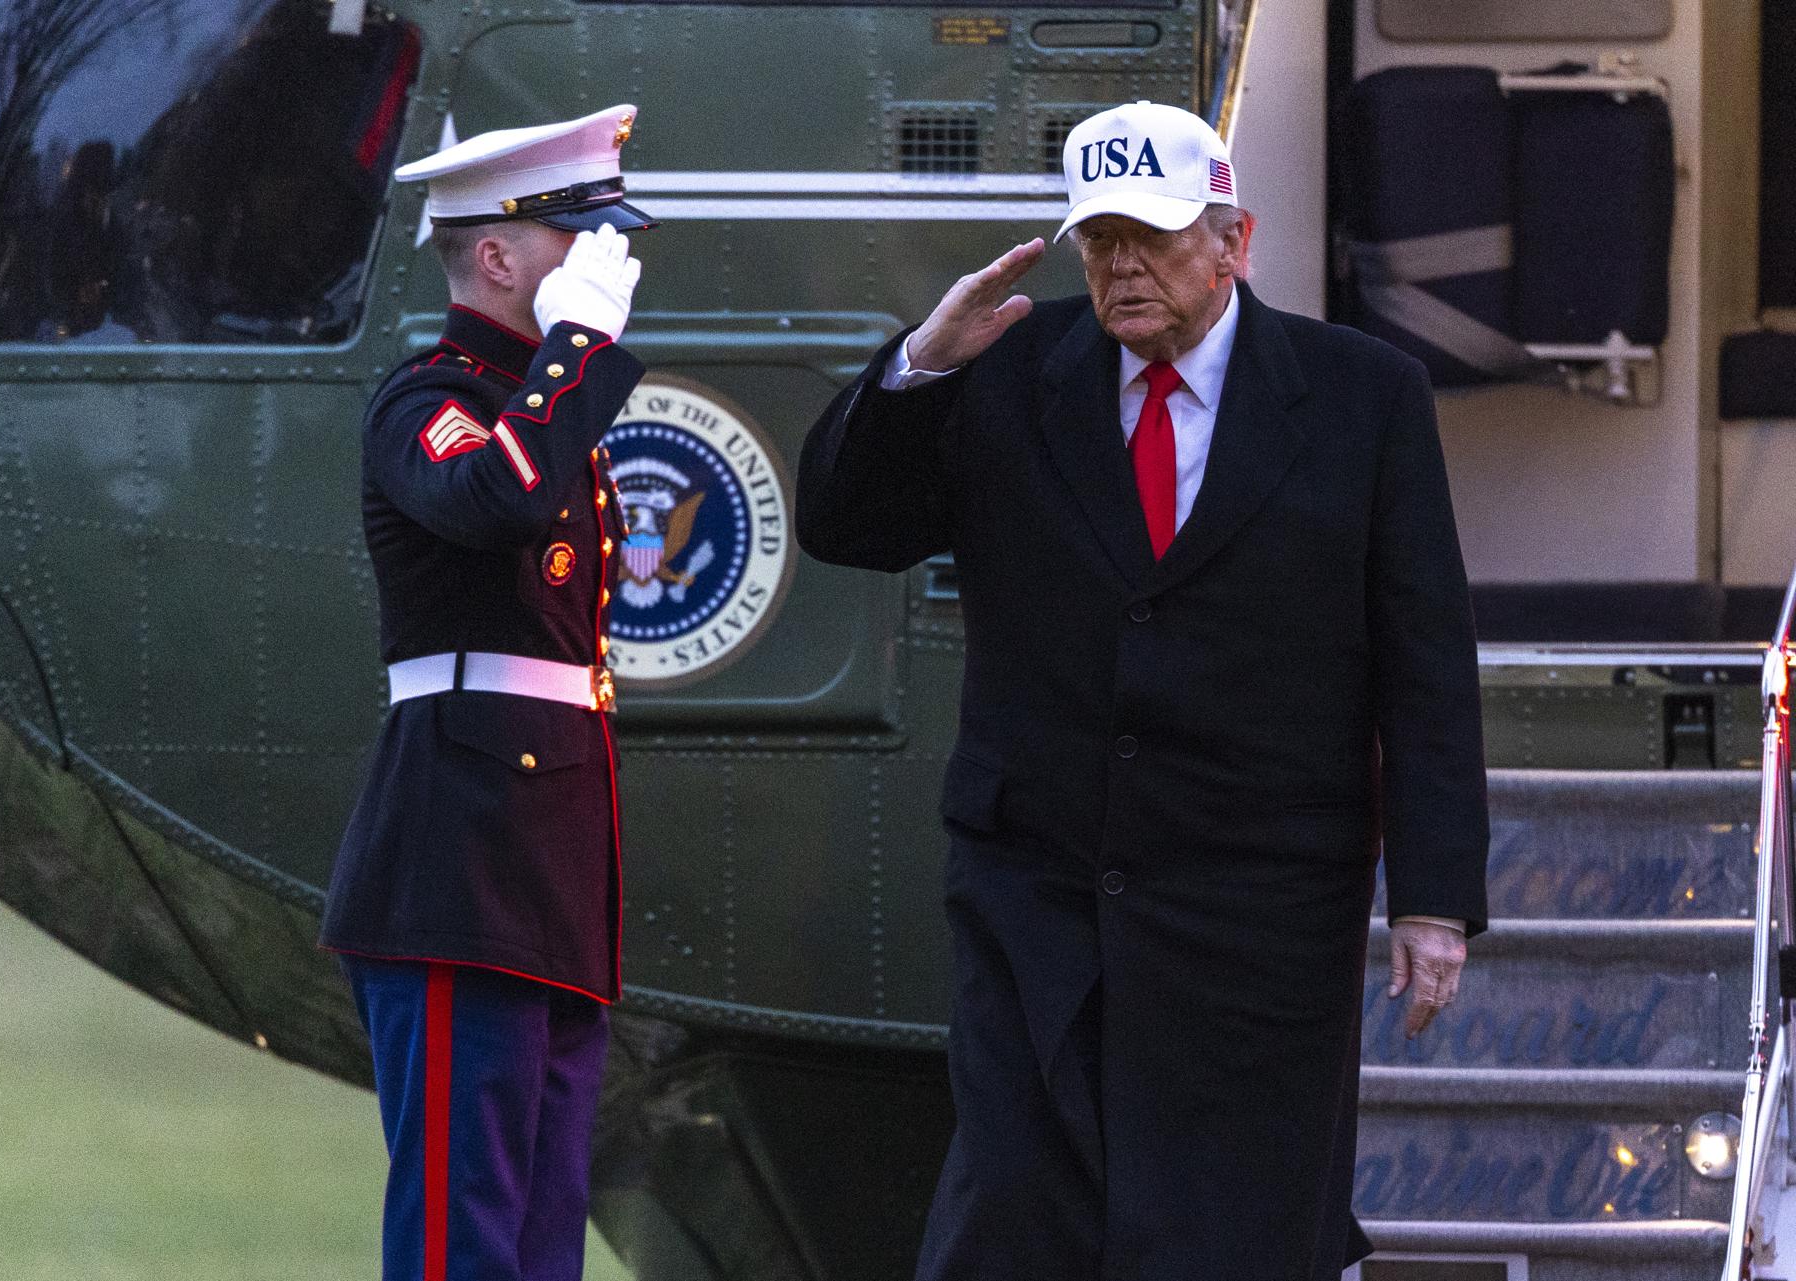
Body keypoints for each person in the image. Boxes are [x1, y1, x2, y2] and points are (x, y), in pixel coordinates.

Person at [796, 100, 1488, 1280]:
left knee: (1238, 1231)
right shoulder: (1008, 369)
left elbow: (1424, 657)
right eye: (1098, 239)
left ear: (1235, 241)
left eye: (1153, 238)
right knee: (1014, 1220)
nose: (1121, 266)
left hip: (1258, 910)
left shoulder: (1364, 396)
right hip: (1041, 895)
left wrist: (1432, 896)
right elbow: (848, 526)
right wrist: (920, 365)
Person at [318, 104, 650, 1281]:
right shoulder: (428, 402)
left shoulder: (552, 415)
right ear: (499, 257)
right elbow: (494, 504)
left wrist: (567, 369)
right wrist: (575, 357)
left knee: (542, 1238)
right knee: (465, 1238)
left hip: (547, 867)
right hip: (458, 861)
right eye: (580, 235)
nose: (612, 260)